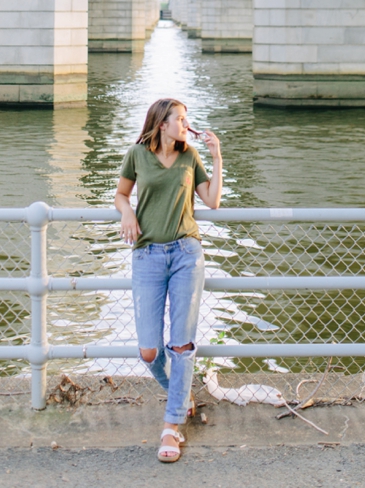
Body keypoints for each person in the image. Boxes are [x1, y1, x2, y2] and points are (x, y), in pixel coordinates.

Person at [115, 97, 223, 464]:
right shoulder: (137, 154)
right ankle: (181, 396)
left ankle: (172, 424)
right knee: (149, 349)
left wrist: (217, 156)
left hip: (186, 254)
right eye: (180, 118)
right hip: (146, 256)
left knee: (181, 346)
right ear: (162, 123)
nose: (185, 124)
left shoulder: (191, 155)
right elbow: (120, 194)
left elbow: (212, 201)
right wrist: (127, 213)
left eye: (186, 119)